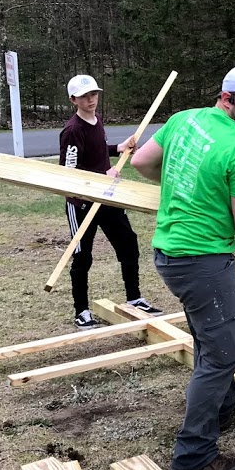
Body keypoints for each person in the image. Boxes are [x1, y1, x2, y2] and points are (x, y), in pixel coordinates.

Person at [131, 63, 235, 470]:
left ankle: (223, 403)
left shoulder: (183, 120)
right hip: (203, 259)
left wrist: (188, 185)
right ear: (228, 97)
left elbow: (143, 162)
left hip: (169, 252)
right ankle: (194, 452)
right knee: (224, 353)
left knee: (207, 335)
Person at [60, 74, 160, 329]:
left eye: (93, 94)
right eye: (84, 96)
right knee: (83, 257)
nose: (91, 99)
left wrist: (119, 148)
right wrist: (102, 176)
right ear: (73, 100)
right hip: (81, 202)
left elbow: (97, 151)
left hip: (107, 198)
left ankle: (134, 299)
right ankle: (81, 311)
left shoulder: (96, 120)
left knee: (128, 243)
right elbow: (67, 173)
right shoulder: (72, 131)